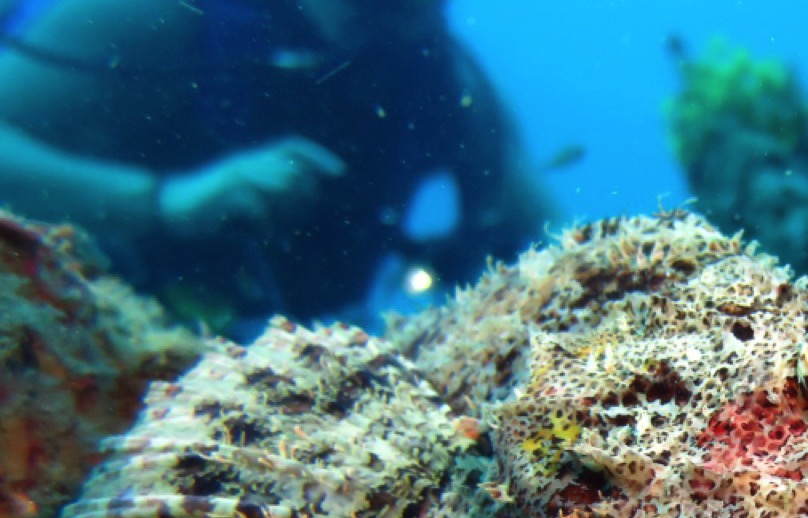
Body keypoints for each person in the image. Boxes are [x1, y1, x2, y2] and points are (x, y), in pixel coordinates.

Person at [0, 0, 555, 330]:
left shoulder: (438, 71)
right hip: (119, 349)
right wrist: (163, 202)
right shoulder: (160, 18)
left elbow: (542, 238)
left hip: (321, 380)